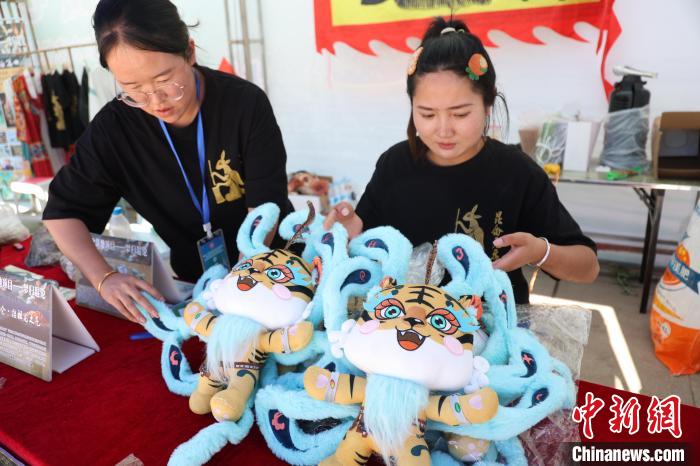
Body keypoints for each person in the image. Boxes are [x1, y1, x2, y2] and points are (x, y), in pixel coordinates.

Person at [43, 0, 289, 323]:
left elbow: (263, 211)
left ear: (189, 52)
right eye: (133, 88)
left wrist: (238, 288)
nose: (155, 100)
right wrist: (104, 278)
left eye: (164, 80)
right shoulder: (114, 129)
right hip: (194, 285)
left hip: (275, 274)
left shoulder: (244, 104)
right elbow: (62, 213)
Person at [325, 17, 599, 304]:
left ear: (488, 104)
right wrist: (348, 233)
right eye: (427, 114)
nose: (443, 129)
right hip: (405, 322)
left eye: (460, 114)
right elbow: (366, 243)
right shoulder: (394, 165)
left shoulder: (517, 172)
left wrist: (541, 252)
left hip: (488, 325)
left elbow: (588, 266)